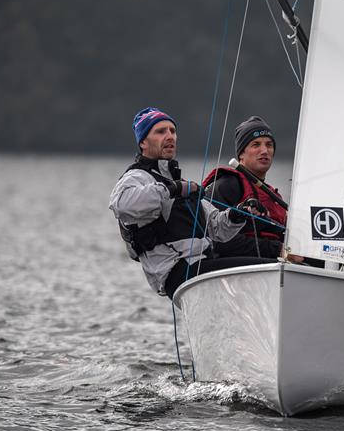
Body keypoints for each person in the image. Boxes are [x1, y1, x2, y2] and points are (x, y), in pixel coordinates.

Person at [109, 107, 271, 299]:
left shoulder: (177, 182)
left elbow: (217, 228)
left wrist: (238, 213)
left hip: (200, 266)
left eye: (173, 131)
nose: (170, 136)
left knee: (270, 264)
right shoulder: (137, 177)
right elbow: (121, 204)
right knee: (267, 270)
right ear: (143, 142)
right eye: (161, 132)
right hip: (179, 273)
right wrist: (172, 189)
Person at [203, 116, 323, 267]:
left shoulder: (273, 196)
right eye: (256, 145)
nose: (265, 150)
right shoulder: (226, 185)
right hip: (238, 269)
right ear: (241, 154)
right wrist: (278, 250)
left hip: (274, 268)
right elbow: (219, 242)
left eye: (269, 145)